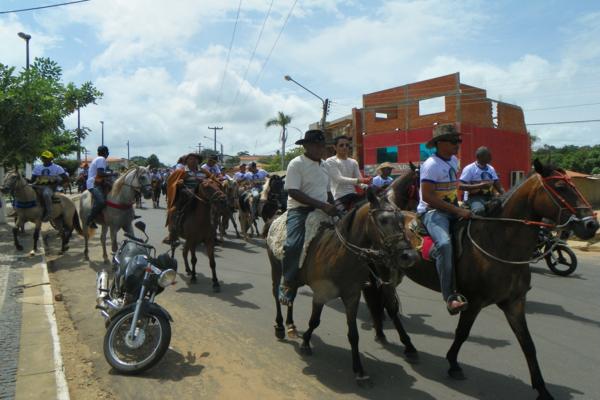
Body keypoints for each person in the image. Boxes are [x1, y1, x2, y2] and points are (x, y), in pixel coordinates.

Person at [417, 124, 471, 315]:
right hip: (433, 212)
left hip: (452, 208)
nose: (458, 144)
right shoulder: (431, 166)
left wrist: (459, 208)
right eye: (454, 141)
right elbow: (428, 197)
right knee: (445, 244)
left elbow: (451, 189)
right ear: (440, 143)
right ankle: (450, 297)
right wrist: (457, 210)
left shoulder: (454, 161)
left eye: (459, 140)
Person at [280, 129, 337, 305]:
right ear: (306, 146)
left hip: (322, 209)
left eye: (323, 146)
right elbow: (293, 191)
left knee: (347, 236)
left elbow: (327, 191)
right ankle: (288, 282)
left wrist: (334, 207)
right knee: (293, 245)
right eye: (317, 146)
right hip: (300, 210)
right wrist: (322, 205)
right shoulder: (296, 163)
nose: (321, 149)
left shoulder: (325, 165)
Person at [165, 153, 206, 244]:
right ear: (186, 161)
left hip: (202, 195)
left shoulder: (203, 171)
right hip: (186, 195)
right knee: (172, 211)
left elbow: (212, 179)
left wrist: (207, 181)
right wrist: (178, 183)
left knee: (217, 207)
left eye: (195, 159)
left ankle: (212, 234)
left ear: (198, 161)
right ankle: (172, 233)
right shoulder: (181, 171)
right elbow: (171, 183)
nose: (193, 161)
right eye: (190, 159)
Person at [325, 135, 370, 213]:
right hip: (338, 197)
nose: (345, 147)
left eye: (347, 145)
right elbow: (339, 179)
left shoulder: (353, 162)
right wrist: (361, 180)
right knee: (341, 218)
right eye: (341, 145)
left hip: (353, 195)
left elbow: (360, 182)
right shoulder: (330, 161)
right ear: (335, 147)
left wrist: (367, 187)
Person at [459, 146, 505, 215]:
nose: (490, 157)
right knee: (479, 211)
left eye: (490, 155)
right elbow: (460, 186)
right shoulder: (470, 168)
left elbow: (498, 185)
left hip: (490, 197)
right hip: (474, 198)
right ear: (479, 157)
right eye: (487, 155)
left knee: (502, 208)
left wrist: (506, 195)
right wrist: (480, 186)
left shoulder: (491, 169)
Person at [31, 151, 69, 222]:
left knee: (46, 194)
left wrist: (57, 184)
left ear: (51, 159)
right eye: (43, 158)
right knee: (25, 191)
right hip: (37, 186)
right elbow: (32, 179)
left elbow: (66, 179)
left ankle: (49, 212)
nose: (45, 159)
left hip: (50, 187)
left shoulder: (57, 168)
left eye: (47, 158)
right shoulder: (37, 167)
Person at [86, 146, 113, 229]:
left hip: (99, 183)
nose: (108, 154)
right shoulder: (101, 159)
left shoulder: (98, 159)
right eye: (107, 152)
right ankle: (90, 219)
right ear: (105, 152)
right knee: (101, 201)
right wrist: (112, 174)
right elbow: (100, 173)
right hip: (93, 184)